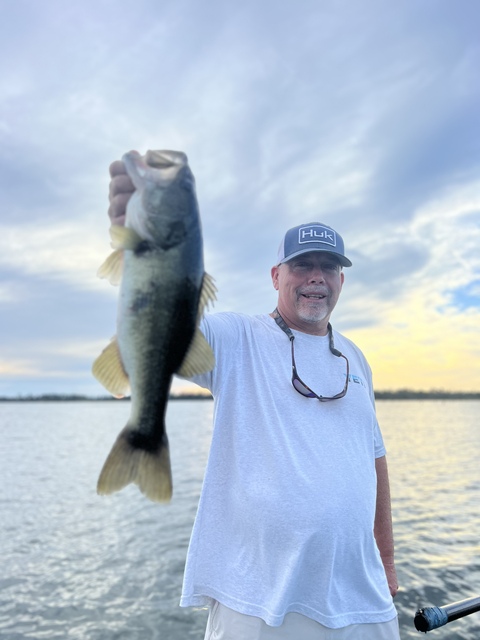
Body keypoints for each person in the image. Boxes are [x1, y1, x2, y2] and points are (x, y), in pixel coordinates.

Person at [108, 158, 400, 640]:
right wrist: (138, 243)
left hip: (361, 601)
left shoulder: (355, 359)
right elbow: (167, 323)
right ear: (275, 275)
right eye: (302, 264)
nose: (316, 277)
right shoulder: (235, 338)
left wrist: (387, 563)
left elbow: (375, 461)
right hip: (257, 604)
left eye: (329, 267)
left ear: (342, 281)